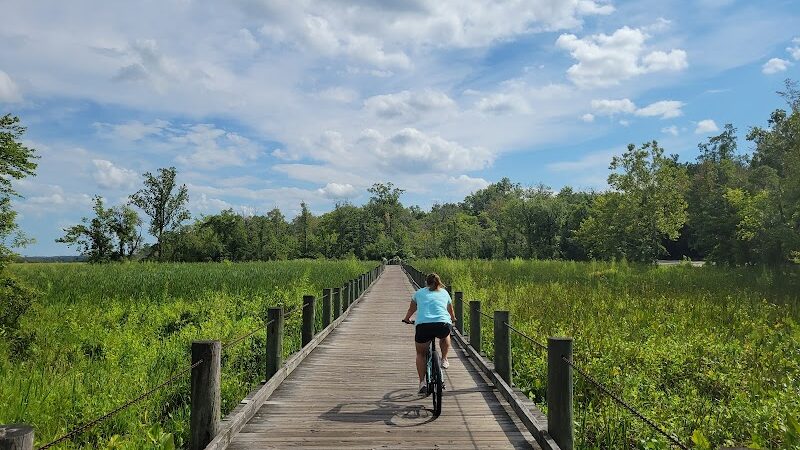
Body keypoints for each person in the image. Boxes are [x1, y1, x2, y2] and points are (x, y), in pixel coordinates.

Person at [402, 272, 456, 394]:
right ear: (439, 282)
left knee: (421, 353)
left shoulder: (419, 293)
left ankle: (422, 383)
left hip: (423, 326)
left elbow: (412, 309)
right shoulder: (445, 292)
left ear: (425, 283)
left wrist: (407, 319)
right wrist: (453, 318)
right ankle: (444, 359)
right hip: (442, 325)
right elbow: (450, 309)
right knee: (445, 335)